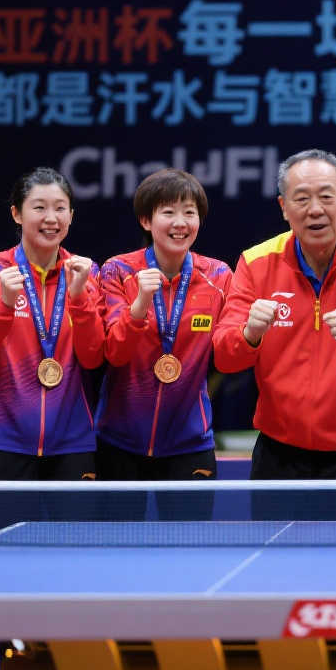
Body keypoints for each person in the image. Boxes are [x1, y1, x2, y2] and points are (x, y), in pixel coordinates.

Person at [212, 149, 336, 481]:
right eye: (302, 198)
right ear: (283, 207)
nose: (315, 209)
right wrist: (249, 335)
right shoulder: (256, 263)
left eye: (326, 196)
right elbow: (224, 358)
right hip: (280, 456)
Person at [0, 168, 103, 513]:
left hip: (73, 444)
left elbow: (94, 357)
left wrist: (79, 299)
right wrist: (4, 305)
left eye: (60, 208)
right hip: (3, 442)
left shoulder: (87, 274)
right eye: (39, 207)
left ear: (71, 215)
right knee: (5, 544)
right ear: (16, 213)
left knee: (72, 547)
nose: (51, 218)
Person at [96, 169, 231, 517]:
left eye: (190, 212)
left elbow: (229, 356)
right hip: (119, 443)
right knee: (118, 546)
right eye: (168, 212)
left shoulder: (219, 277)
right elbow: (114, 352)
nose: (180, 222)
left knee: (188, 546)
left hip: (190, 444)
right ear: (146, 220)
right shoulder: (117, 271)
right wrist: (140, 304)